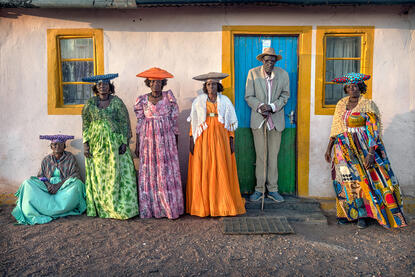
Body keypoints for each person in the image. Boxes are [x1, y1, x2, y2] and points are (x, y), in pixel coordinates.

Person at [325, 73, 407, 229]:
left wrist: (370, 153)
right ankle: (349, 214)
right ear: (346, 89)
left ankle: (365, 215)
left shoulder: (368, 105)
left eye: (355, 86)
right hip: (344, 149)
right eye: (349, 86)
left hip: (363, 147)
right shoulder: (341, 104)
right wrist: (328, 148)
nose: (352, 89)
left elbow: (373, 130)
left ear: (361, 88)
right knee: (346, 181)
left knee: (366, 181)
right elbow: (335, 128)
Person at [186, 72, 246, 217]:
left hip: (221, 138)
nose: (211, 86)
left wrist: (231, 140)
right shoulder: (199, 101)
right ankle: (203, 206)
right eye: (208, 84)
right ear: (205, 87)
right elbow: (194, 121)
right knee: (205, 167)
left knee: (221, 167)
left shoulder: (225, 100)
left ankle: (222, 205)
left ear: (218, 86)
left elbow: (231, 122)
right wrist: (191, 139)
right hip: (203, 138)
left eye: (213, 84)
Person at [82, 73, 139, 220]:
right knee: (100, 176)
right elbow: (86, 124)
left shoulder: (117, 102)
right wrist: (86, 144)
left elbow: (124, 122)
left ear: (110, 87)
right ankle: (102, 207)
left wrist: (124, 142)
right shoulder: (90, 104)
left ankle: (117, 206)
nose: (103, 87)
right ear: (96, 87)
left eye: (106, 84)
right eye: (100, 85)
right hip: (96, 145)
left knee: (116, 174)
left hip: (114, 145)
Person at [134, 67, 184, 219]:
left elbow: (174, 121)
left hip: (166, 139)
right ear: (148, 83)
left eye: (159, 82)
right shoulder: (142, 100)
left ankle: (168, 206)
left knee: (166, 171)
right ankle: (151, 207)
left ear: (163, 83)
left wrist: (175, 142)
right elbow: (140, 123)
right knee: (150, 171)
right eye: (153, 82)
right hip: (148, 139)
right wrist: (137, 144)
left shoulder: (169, 98)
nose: (156, 84)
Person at [245, 47, 290, 202]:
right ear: (262, 61)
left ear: (275, 61)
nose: (269, 63)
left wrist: (272, 107)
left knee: (273, 157)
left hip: (276, 120)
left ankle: (273, 189)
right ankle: (259, 189)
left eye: (272, 60)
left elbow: (285, 96)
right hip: (259, 120)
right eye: (267, 60)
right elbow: (249, 96)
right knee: (261, 157)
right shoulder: (253, 74)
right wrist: (260, 106)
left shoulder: (283, 75)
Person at [12, 135, 86, 225]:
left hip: (64, 186)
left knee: (77, 184)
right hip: (48, 187)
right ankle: (41, 210)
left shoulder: (70, 157)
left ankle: (60, 209)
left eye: (60, 144)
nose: (57, 146)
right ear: (51, 147)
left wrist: (58, 185)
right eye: (54, 144)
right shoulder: (46, 159)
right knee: (27, 183)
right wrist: (48, 185)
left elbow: (75, 174)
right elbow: (40, 176)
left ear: (64, 146)